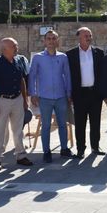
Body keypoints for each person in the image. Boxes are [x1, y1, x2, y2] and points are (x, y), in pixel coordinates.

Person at [0, 37, 33, 172]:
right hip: (1, 100)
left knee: (18, 130)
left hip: (17, 99)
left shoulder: (19, 60)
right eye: (14, 45)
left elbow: (22, 80)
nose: (17, 47)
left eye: (16, 45)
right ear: (4, 49)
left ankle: (21, 155)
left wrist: (25, 99)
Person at [29, 30, 74, 162]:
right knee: (46, 125)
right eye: (48, 38)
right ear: (44, 41)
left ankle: (64, 149)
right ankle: (46, 151)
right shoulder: (38, 57)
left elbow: (67, 75)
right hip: (44, 97)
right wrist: (33, 93)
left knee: (62, 124)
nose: (51, 41)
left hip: (61, 96)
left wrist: (69, 93)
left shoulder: (63, 57)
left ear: (57, 41)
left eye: (54, 38)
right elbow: (32, 76)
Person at [66, 27, 105, 158]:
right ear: (79, 37)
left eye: (90, 35)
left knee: (95, 122)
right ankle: (80, 149)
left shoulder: (99, 53)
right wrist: (69, 93)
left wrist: (103, 93)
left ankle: (95, 146)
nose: (89, 38)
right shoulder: (70, 54)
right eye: (86, 36)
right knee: (80, 123)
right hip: (79, 94)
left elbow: (102, 75)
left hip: (95, 93)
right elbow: (67, 76)